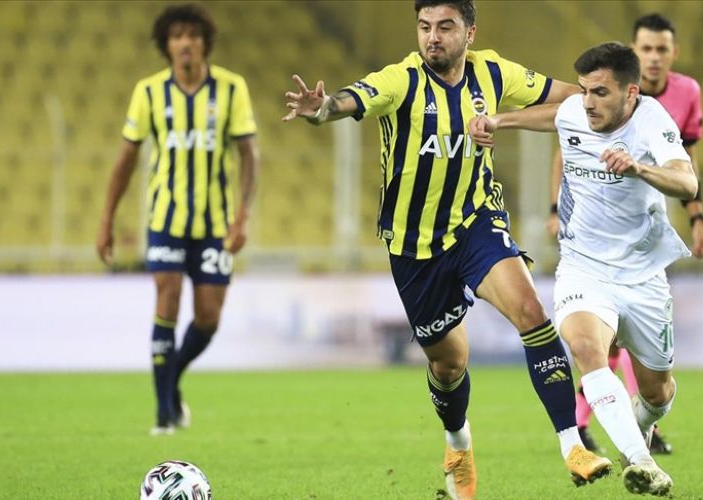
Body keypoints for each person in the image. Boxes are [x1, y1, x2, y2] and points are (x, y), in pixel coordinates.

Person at [283, 1, 610, 497]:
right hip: (414, 247)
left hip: (476, 221)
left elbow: (573, 101)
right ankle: (458, 441)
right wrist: (323, 108)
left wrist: (602, 103)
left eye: (444, 26)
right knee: (449, 364)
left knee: (530, 311)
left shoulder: (494, 72)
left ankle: (573, 445)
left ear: (469, 32)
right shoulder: (401, 80)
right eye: (424, 26)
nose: (432, 37)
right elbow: (351, 99)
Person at [469, 41, 698, 496]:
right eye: (585, 90)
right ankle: (641, 462)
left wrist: (640, 169)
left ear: (630, 93)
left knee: (658, 393)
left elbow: (687, 182)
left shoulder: (652, 120)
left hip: (642, 274)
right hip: (583, 267)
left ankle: (638, 428)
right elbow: (556, 115)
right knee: (586, 348)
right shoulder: (577, 110)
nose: (587, 102)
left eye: (600, 93)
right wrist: (499, 120)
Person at [547, 12, 703, 455]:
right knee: (595, 345)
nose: (654, 57)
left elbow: (688, 167)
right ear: (635, 53)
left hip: (642, 252)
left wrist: (697, 217)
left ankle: (639, 423)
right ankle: (607, 439)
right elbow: (565, 136)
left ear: (673, 54)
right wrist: (555, 207)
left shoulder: (681, 97)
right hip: (588, 258)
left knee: (655, 385)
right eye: (646, 49)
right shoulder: (596, 95)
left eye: (661, 49)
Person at [96, 3, 260, 435]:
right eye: (177, 36)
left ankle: (171, 381)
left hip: (216, 225)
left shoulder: (231, 89)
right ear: (166, 45)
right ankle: (163, 413)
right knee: (166, 299)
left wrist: (242, 215)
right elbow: (126, 160)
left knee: (208, 318)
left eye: (193, 35)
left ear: (205, 42)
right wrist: (106, 219)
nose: (186, 43)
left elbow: (248, 155)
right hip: (165, 222)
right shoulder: (149, 92)